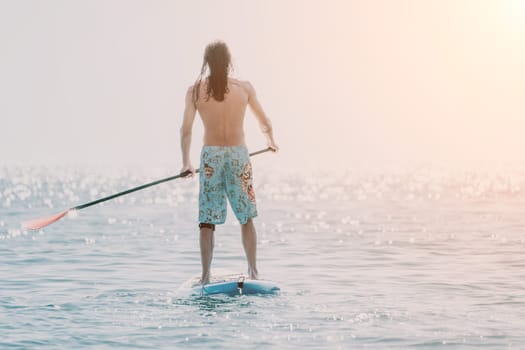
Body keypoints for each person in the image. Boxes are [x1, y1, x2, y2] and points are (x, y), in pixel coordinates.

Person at [179, 41, 278, 284]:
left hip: (211, 157)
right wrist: (271, 141)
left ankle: (205, 277)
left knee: (207, 220)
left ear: (207, 63)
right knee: (246, 216)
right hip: (238, 156)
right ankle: (254, 271)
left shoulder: (195, 91)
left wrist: (186, 163)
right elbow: (265, 121)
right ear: (229, 61)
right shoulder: (244, 88)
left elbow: (186, 130)